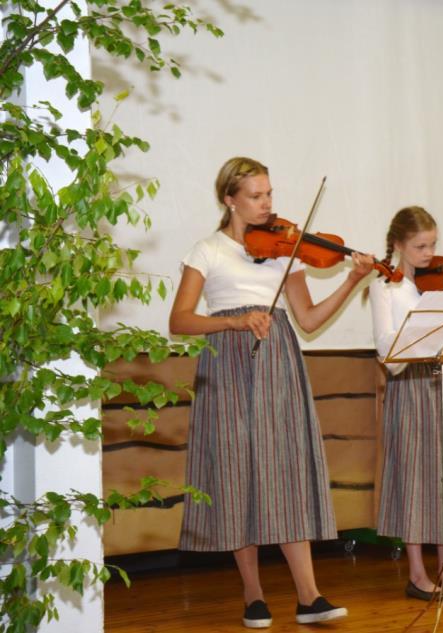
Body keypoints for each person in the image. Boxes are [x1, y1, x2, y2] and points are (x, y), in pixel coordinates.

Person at [170, 157, 374, 628]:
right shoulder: (207, 250)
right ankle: (253, 594)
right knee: (238, 473)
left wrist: (351, 280)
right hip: (228, 365)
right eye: (256, 196)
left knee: (285, 473)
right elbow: (179, 320)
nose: (267, 205)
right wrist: (236, 321)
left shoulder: (285, 250)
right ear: (230, 200)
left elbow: (307, 320)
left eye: (269, 194)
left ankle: (309, 595)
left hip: (278, 362)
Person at [368, 206, 443, 600]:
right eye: (420, 246)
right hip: (412, 384)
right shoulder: (384, 286)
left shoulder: (439, 285)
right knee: (416, 477)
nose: (428, 253)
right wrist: (417, 336)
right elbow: (387, 350)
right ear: (398, 244)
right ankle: (417, 573)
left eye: (433, 244)